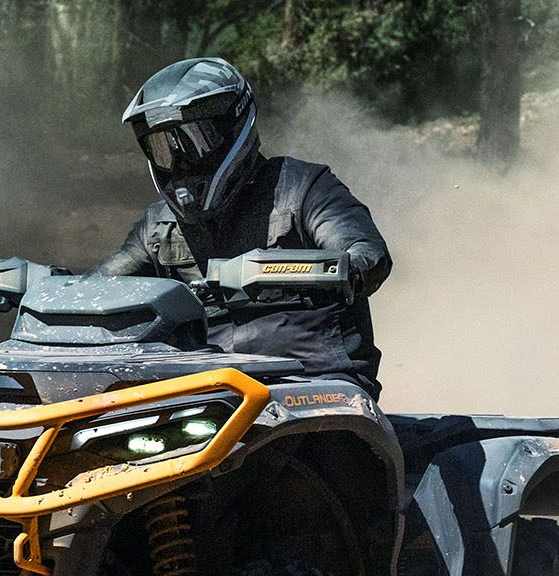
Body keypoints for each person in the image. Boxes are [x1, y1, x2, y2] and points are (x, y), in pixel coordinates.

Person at [96, 57, 392, 396]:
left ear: (233, 127)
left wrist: (305, 271)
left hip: (317, 387)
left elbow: (368, 254)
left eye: (193, 142)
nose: (178, 161)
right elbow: (102, 288)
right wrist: (47, 288)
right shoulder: (158, 226)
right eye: (164, 149)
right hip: (208, 393)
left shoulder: (302, 188)